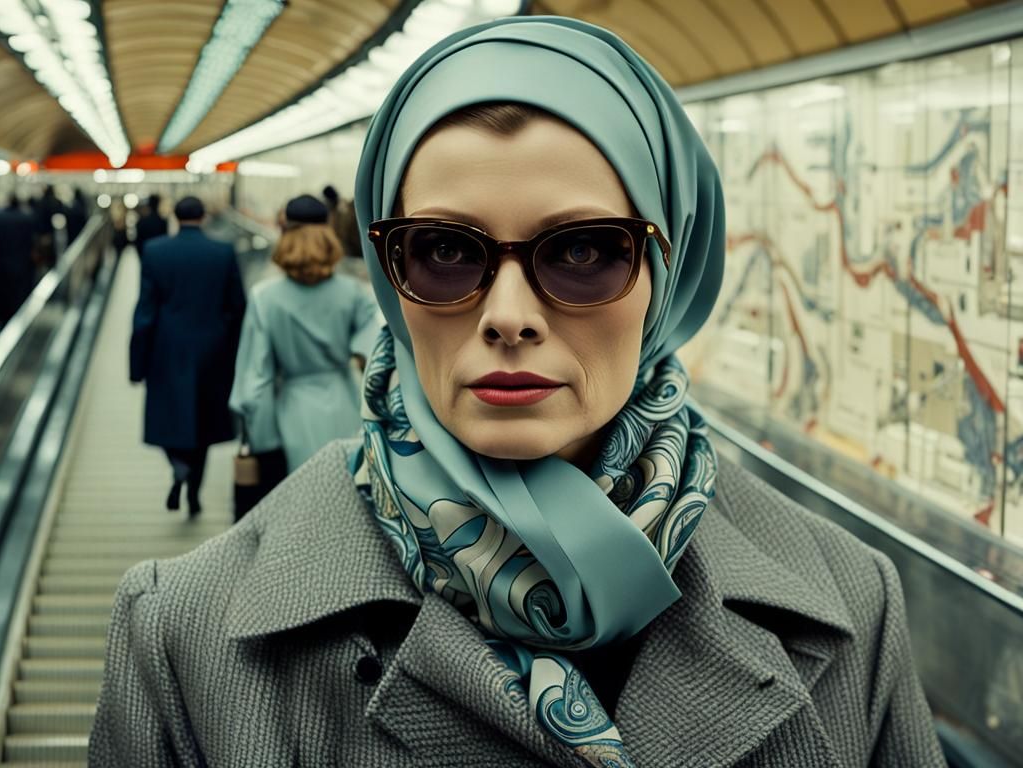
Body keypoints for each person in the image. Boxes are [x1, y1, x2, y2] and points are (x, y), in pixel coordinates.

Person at [91, 18, 945, 767]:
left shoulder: (851, 604)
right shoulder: (185, 639)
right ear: (390, 280)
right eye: (445, 252)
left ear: (667, 277)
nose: (508, 317)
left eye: (582, 252)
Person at [229, 194, 381, 487]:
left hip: (292, 414)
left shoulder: (265, 298)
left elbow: (256, 381)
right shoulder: (353, 293)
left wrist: (262, 442)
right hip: (346, 407)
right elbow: (376, 354)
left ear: (285, 234)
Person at [129, 196, 246, 517]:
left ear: (175, 217)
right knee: (204, 425)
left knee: (169, 417)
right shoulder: (222, 252)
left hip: (166, 348)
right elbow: (237, 307)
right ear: (204, 216)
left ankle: (178, 464)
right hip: (213, 350)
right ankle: (194, 489)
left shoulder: (155, 251)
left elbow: (145, 312)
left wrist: (136, 364)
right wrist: (235, 354)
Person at [0, 194, 39, 326]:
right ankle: (19, 317)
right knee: (19, 293)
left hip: (2, 262)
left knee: (2, 291)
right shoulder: (27, 218)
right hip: (22, 262)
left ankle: (1, 318)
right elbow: (33, 240)